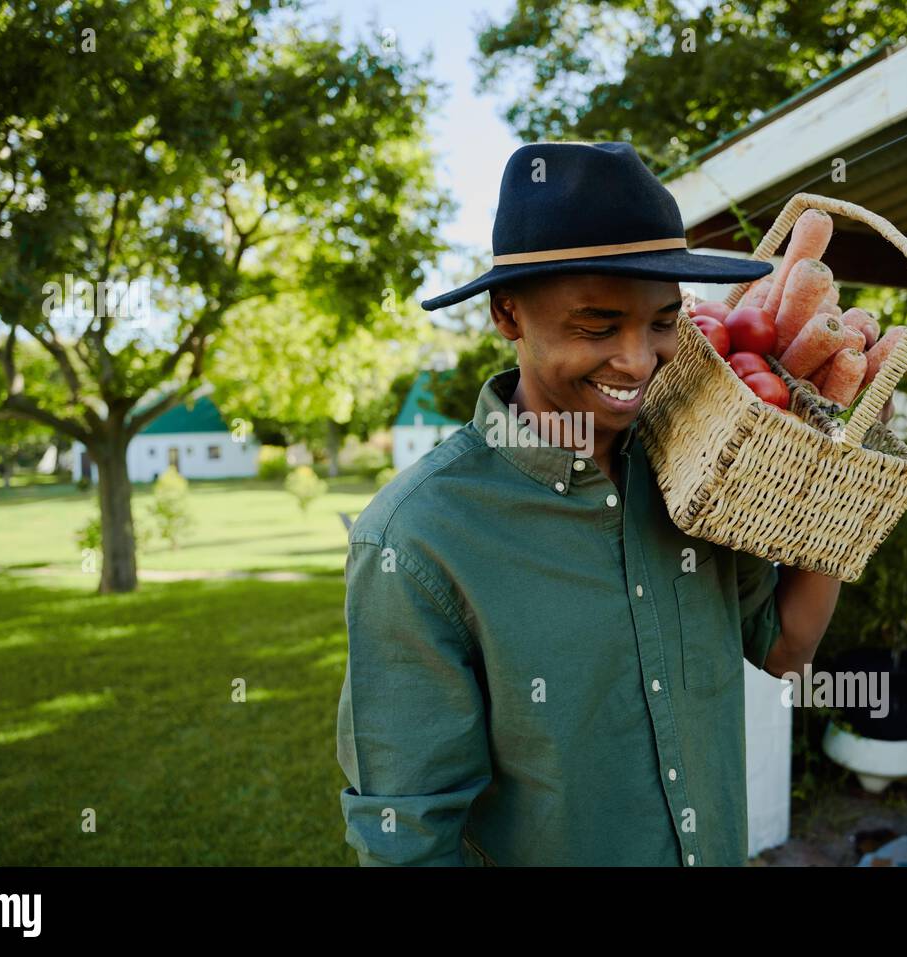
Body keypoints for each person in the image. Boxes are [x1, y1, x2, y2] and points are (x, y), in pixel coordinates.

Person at [336, 141, 842, 866]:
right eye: (598, 326)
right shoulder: (416, 541)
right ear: (507, 313)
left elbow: (785, 648)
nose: (637, 361)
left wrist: (832, 496)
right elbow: (407, 840)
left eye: (664, 322)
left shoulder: (693, 470)